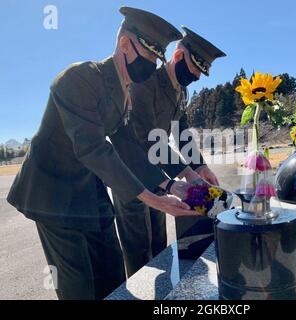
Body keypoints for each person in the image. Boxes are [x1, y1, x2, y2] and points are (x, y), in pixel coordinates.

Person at [6, 7, 199, 300]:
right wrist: (151, 198)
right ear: (125, 45)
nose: (152, 65)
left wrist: (170, 185)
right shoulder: (77, 79)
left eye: (156, 58)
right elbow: (93, 148)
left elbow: (126, 147)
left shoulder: (123, 92)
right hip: (51, 195)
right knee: (79, 287)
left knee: (113, 277)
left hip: (87, 190)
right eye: (149, 56)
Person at [110, 26, 226, 276]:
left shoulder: (181, 90)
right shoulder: (146, 82)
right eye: (195, 68)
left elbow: (181, 132)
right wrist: (185, 172)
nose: (196, 76)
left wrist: (199, 167)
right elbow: (146, 137)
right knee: (140, 251)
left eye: (201, 72)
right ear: (178, 56)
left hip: (159, 175)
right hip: (133, 173)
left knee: (159, 247)